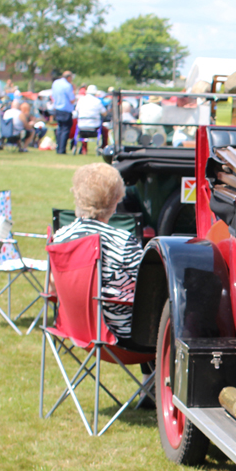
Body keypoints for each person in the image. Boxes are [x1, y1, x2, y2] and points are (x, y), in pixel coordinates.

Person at [53, 163, 142, 341]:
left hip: (75, 329)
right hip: (120, 334)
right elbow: (150, 287)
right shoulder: (122, 241)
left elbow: (52, 285)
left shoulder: (60, 237)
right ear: (117, 198)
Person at [74, 83, 105, 153]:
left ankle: (84, 148)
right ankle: (103, 147)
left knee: (82, 132)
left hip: (82, 125)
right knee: (105, 129)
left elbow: (77, 111)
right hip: (94, 126)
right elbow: (104, 112)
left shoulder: (81, 100)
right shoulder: (98, 101)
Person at [51, 70, 76, 154]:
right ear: (68, 77)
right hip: (66, 110)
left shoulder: (56, 83)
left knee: (60, 129)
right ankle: (62, 149)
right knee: (65, 130)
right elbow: (72, 99)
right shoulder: (68, 86)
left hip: (57, 108)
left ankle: (58, 148)